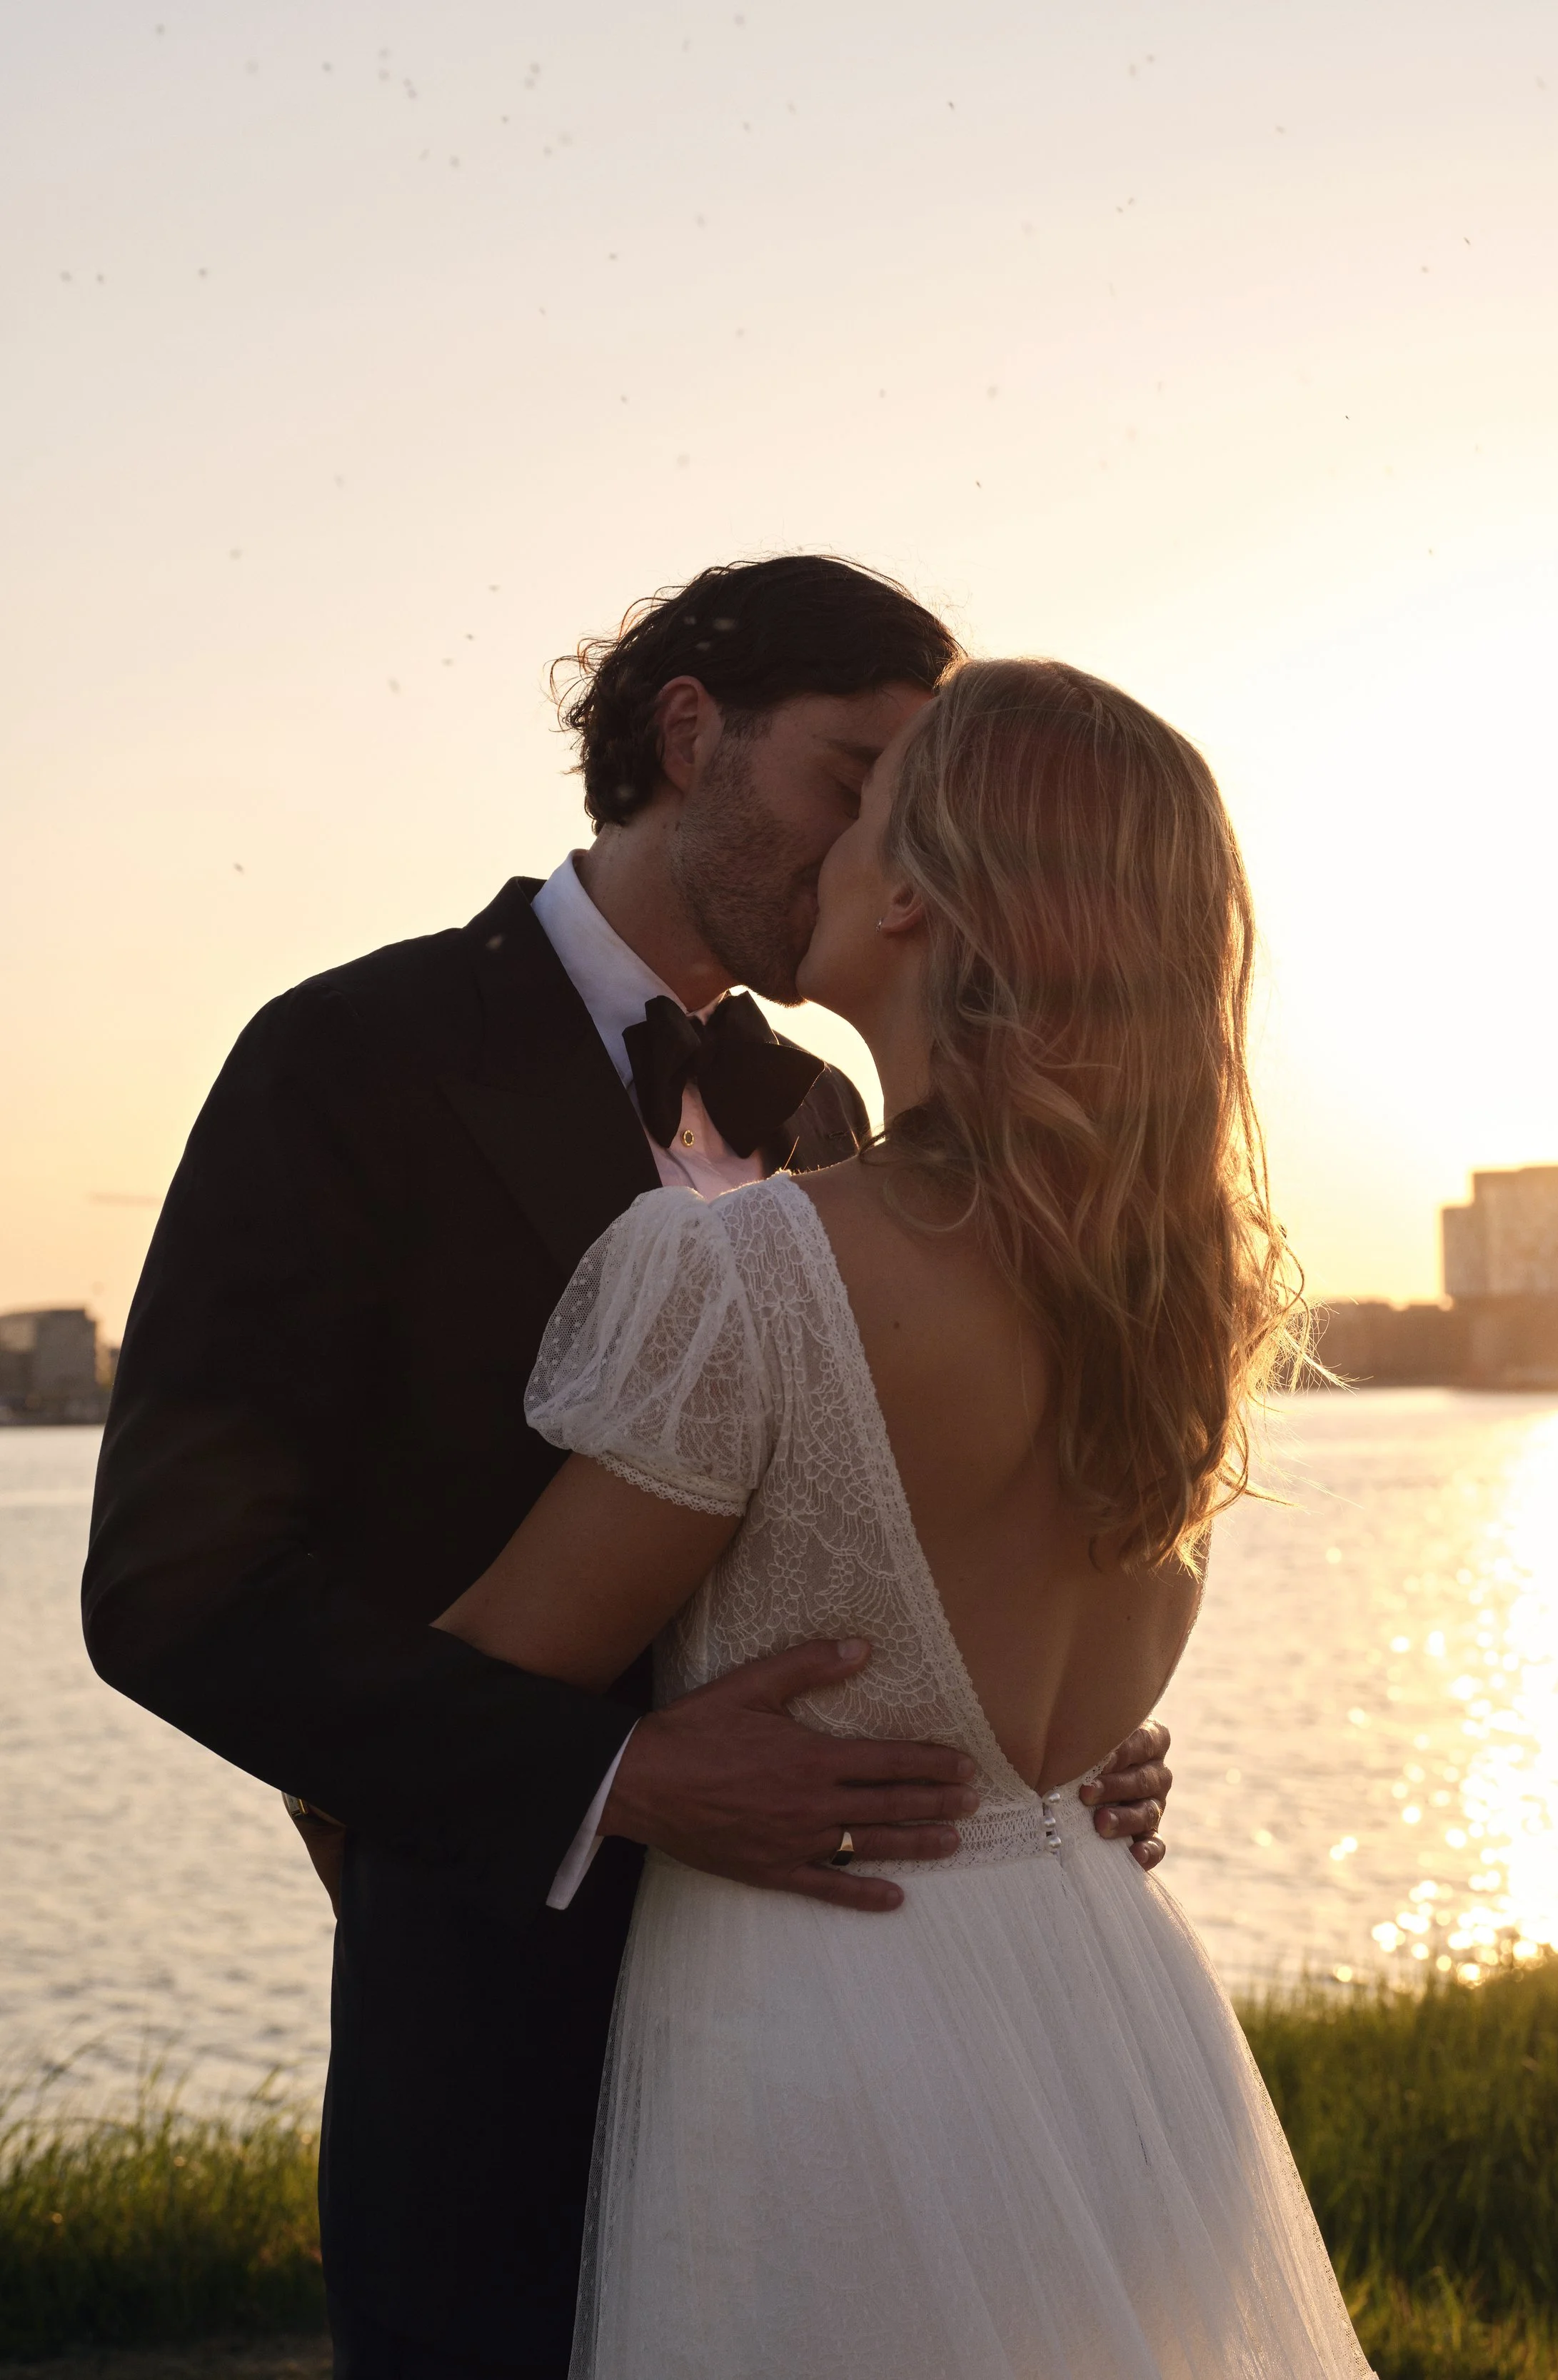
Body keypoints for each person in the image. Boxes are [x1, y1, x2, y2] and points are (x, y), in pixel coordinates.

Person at [81, 562, 1174, 2380]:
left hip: (855, 2027)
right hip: (500, 2029)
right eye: (852, 777)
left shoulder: (828, 1122)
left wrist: (1035, 1748)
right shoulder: (346, 1058)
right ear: (691, 734)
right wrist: (605, 1775)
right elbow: (175, 1592)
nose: (867, 852)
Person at [439, 658, 1373, 2379]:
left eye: (863, 803)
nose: (820, 846)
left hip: (831, 2044)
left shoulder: (752, 1273)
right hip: (1107, 2016)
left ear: (916, 888)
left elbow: (450, 1711)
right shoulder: (1184, 1299)